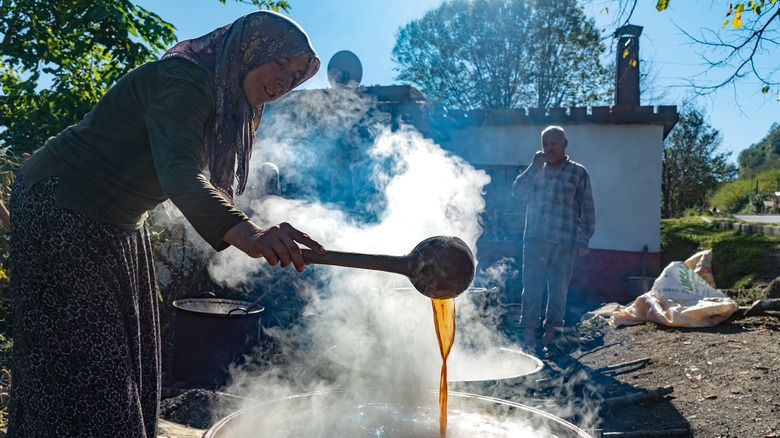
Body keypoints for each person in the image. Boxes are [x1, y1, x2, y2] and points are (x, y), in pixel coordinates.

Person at [7, 11, 325, 437]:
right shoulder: (187, 82)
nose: (285, 80)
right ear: (248, 52)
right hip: (62, 204)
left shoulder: (225, 102)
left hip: (118, 219)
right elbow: (180, 173)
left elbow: (193, 179)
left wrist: (259, 230)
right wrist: (250, 234)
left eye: (296, 75)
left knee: (130, 355)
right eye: (280, 62)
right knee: (90, 361)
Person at [511, 125, 595, 357]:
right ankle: (529, 337)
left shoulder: (578, 172)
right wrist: (532, 167)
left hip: (565, 240)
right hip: (535, 237)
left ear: (565, 144)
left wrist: (584, 239)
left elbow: (586, 209)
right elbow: (517, 195)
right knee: (532, 287)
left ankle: (550, 336)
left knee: (558, 289)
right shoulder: (536, 169)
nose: (548, 148)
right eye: (545, 144)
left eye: (553, 143)